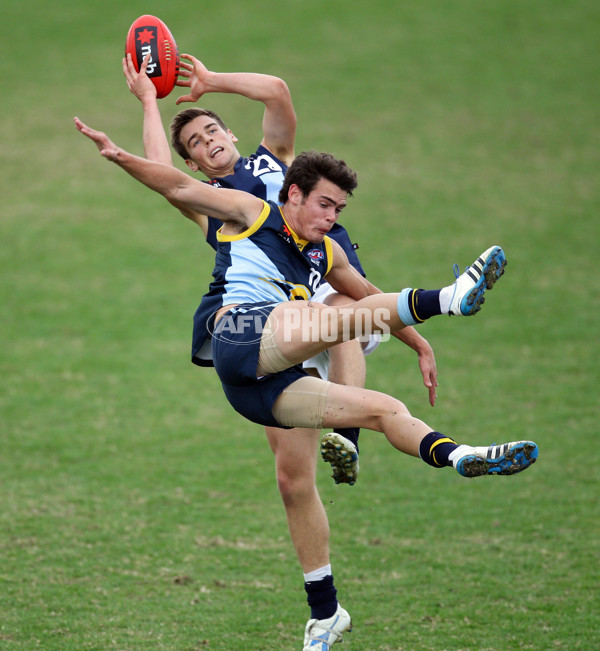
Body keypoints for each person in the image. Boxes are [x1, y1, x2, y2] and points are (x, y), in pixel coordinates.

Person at [74, 118, 539, 650]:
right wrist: (119, 155)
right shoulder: (252, 212)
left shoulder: (328, 252)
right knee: (332, 319)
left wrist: (418, 344)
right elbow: (177, 185)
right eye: (325, 205)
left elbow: (368, 297)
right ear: (293, 194)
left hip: (262, 388)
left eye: (340, 210)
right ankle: (453, 297)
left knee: (382, 408)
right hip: (240, 333)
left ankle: (455, 464)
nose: (332, 218)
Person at [122, 52, 384, 485]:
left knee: (340, 313)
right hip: (273, 319)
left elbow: (277, 93)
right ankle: (332, 485)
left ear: (231, 133)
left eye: (211, 130)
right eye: (196, 143)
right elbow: (160, 174)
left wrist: (211, 80)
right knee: (291, 477)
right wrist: (149, 100)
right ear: (192, 164)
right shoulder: (209, 203)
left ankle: (349, 436)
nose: (208, 141)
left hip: (324, 287)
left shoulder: (275, 160)